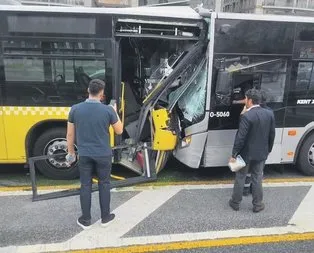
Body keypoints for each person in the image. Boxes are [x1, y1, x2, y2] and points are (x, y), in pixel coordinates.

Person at [66, 79, 123, 229]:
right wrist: (115, 111)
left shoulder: (75, 109)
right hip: (103, 154)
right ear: (102, 93)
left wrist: (71, 153)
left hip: (84, 154)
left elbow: (70, 135)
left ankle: (85, 220)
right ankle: (105, 218)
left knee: (85, 185)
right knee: (104, 184)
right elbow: (119, 130)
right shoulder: (108, 110)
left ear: (88, 90)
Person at [229, 88, 275, 213]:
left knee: (240, 176)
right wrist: (268, 150)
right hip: (262, 153)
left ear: (249, 100)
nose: (245, 101)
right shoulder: (269, 114)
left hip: (245, 154)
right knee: (257, 177)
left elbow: (240, 137)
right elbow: (272, 135)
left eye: (245, 99)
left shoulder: (247, 116)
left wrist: (234, 154)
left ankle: (235, 203)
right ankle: (258, 204)